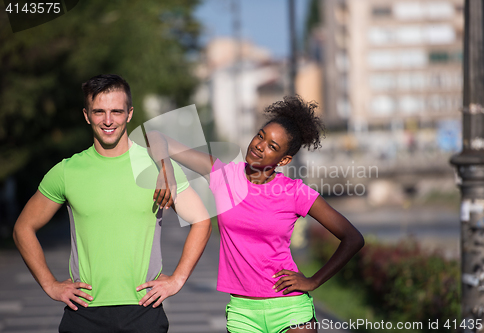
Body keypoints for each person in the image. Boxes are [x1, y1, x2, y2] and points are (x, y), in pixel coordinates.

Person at [12, 74, 211, 333]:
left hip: (144, 311)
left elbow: (202, 220)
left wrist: (177, 279)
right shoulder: (66, 171)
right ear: (86, 115)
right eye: (99, 112)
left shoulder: (158, 168)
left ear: (129, 114)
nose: (108, 121)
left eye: (116, 111)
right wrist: (51, 285)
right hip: (83, 314)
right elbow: (23, 228)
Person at [148, 95, 364, 333]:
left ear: (284, 160)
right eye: (261, 136)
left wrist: (313, 281)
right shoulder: (224, 176)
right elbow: (155, 137)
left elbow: (352, 238)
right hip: (243, 313)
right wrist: (165, 168)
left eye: (272, 146)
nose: (260, 146)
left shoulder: (294, 192)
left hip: (290, 308)